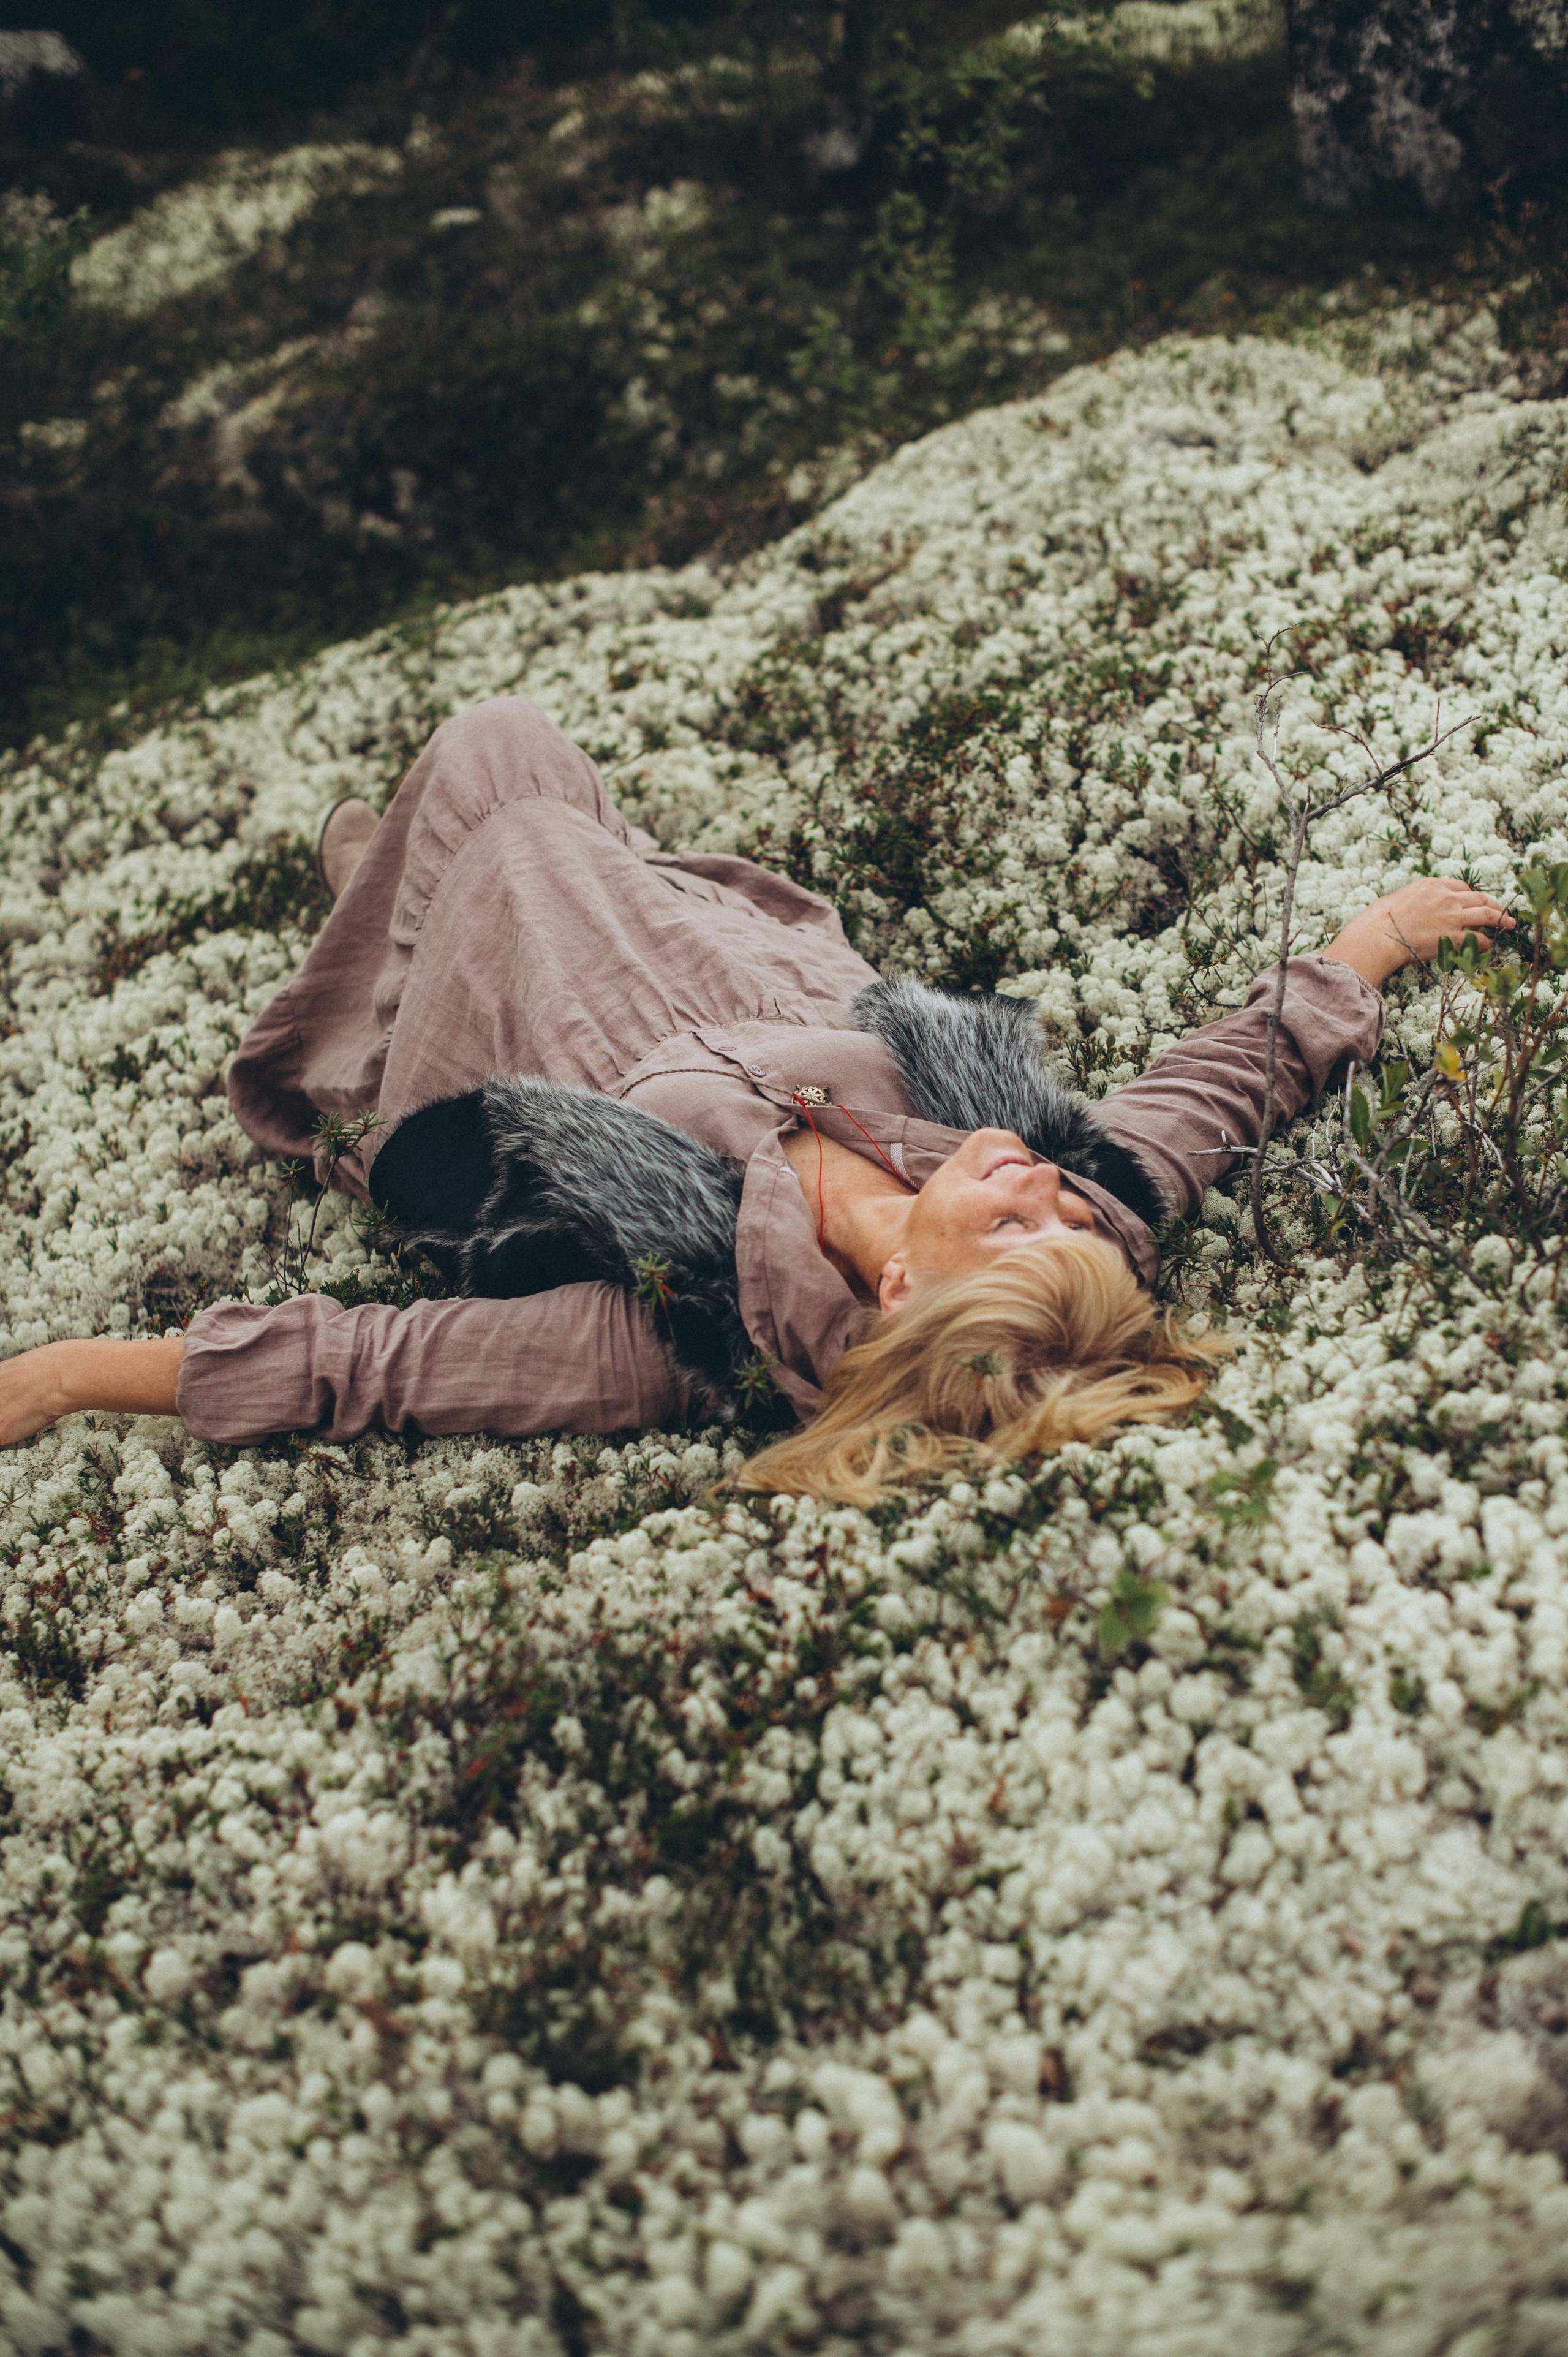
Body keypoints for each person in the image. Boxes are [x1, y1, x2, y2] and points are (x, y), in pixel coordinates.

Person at [0, 698, 1513, 1503]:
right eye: (1072, 1208)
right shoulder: (1082, 1183)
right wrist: (1365, 945)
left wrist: (64, 1371)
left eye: (1021, 1217)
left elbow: (375, 1366)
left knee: (492, 758)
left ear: (908, 1284)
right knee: (518, 763)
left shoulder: (680, 1324)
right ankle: (403, 882)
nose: (1043, 1179)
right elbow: (1216, 1088)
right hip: (712, 966)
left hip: (535, 1025)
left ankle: (396, 914)